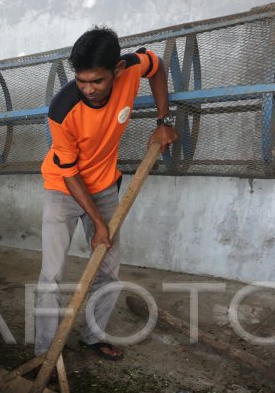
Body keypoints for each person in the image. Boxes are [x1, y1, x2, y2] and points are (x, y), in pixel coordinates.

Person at [34, 26, 177, 361]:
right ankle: (45, 354)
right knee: (52, 274)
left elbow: (157, 66)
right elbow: (69, 174)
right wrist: (98, 223)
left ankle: (93, 335)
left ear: (116, 71)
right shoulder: (62, 109)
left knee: (109, 269)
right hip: (63, 189)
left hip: (105, 186)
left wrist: (163, 119)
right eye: (81, 81)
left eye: (97, 81)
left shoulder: (131, 67)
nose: (88, 89)